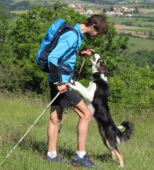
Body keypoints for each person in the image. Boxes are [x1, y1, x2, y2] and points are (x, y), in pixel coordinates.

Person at [45, 15, 108, 167]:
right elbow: (52, 57)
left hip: (57, 80)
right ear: (93, 26)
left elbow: (64, 53)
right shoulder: (73, 35)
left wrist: (79, 53)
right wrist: (58, 82)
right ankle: (80, 155)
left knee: (55, 117)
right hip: (61, 82)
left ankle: (51, 154)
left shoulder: (75, 33)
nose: (96, 35)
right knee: (86, 114)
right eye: (97, 32)